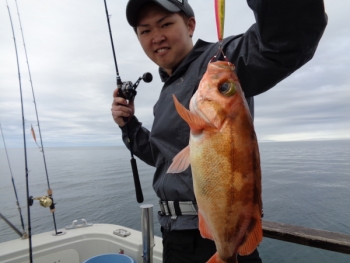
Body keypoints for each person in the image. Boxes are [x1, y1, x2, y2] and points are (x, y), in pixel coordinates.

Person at [111, 0, 327, 262]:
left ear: (190, 25)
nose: (156, 37)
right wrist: (129, 125)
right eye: (145, 31)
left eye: (166, 24)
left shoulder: (222, 62)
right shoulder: (166, 94)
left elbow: (287, 37)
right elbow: (164, 158)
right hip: (174, 236)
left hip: (213, 234)